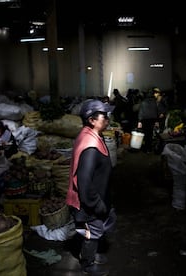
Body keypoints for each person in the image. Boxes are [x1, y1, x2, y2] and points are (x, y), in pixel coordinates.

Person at [66, 99, 117, 276]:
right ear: (92, 120)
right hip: (88, 202)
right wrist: (97, 205)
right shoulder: (90, 146)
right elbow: (85, 183)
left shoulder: (91, 134)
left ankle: (92, 253)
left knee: (98, 227)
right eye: (105, 116)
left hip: (96, 197)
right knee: (92, 231)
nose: (108, 118)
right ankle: (87, 264)